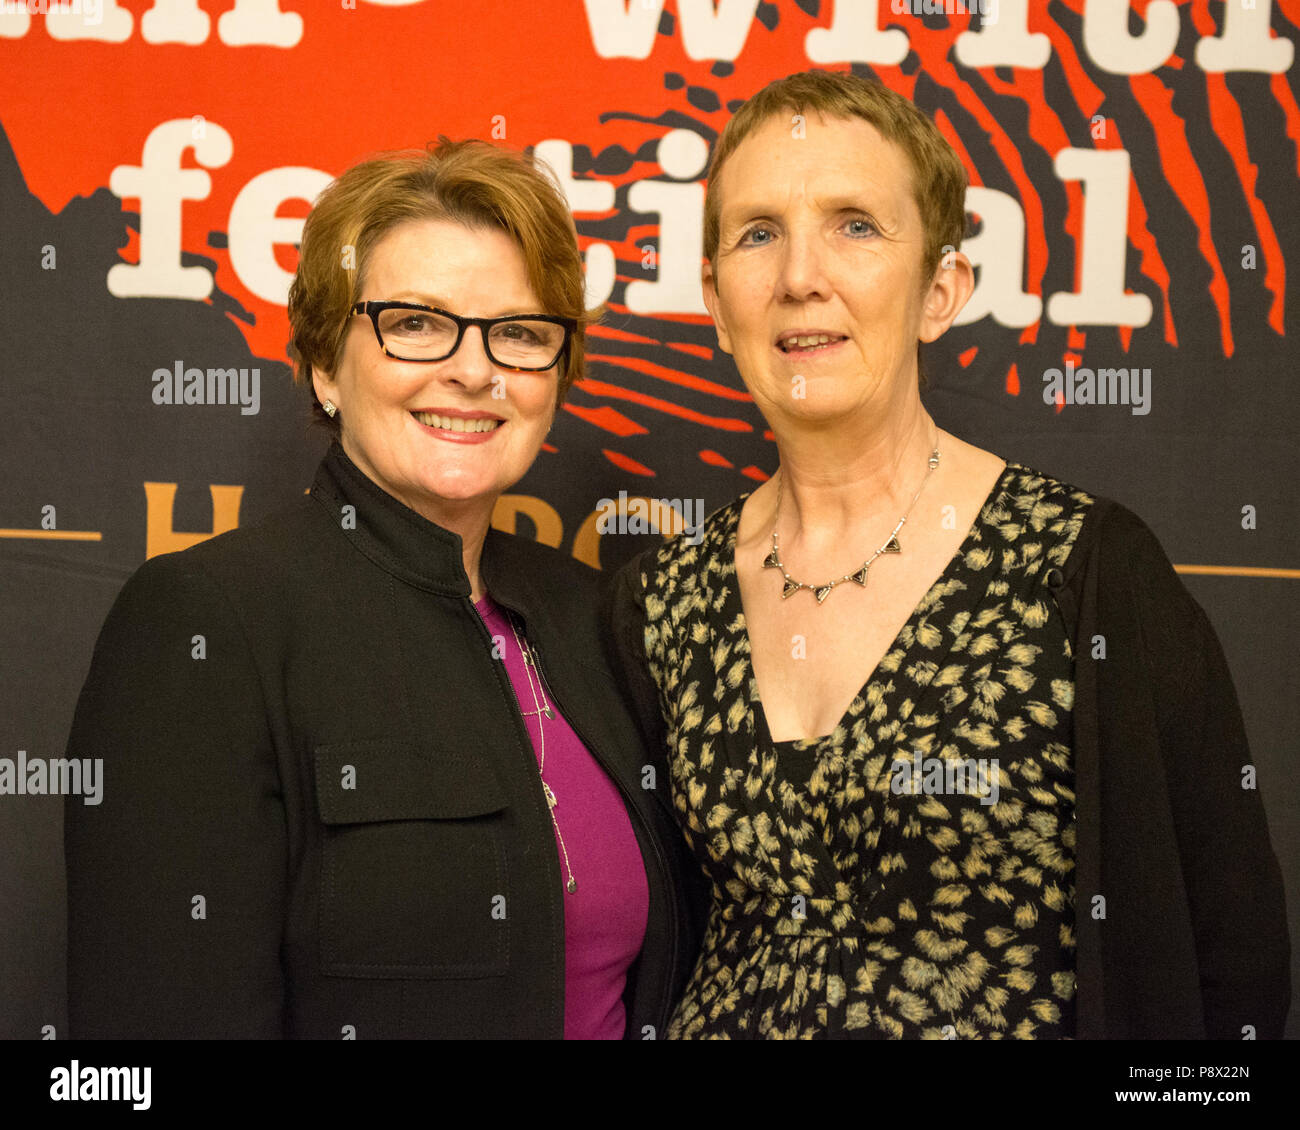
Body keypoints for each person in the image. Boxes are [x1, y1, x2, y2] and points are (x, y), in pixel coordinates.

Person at [606, 70, 1290, 1039]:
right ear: (716, 302)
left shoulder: (1085, 573)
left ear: (940, 289)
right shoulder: (658, 607)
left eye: (854, 224)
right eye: (758, 232)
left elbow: (1233, 971)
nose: (801, 274)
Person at [64, 137, 703, 1039]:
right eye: (415, 322)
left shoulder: (594, 615)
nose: (474, 371)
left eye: (517, 333)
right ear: (326, 365)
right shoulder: (208, 621)